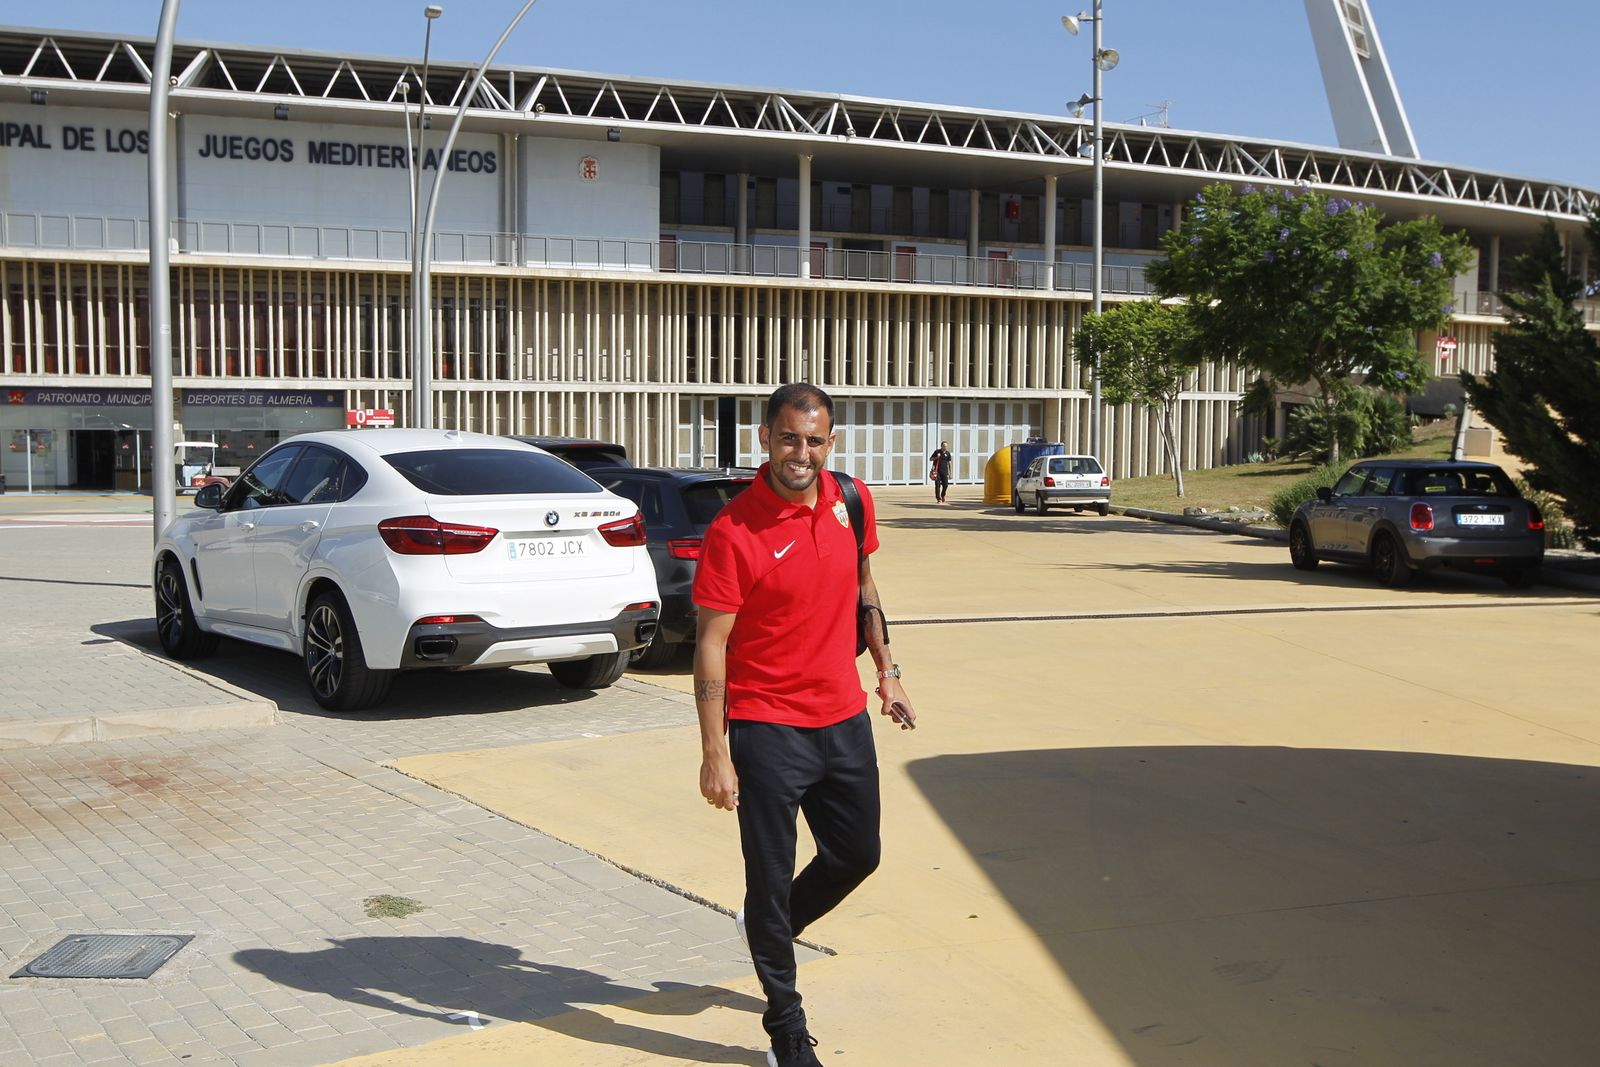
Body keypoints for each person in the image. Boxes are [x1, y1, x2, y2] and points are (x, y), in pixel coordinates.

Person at [692, 383, 917, 1067]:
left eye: (814, 440)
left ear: (831, 442)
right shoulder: (735, 531)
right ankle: (786, 1027)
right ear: (766, 436)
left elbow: (864, 585)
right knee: (768, 876)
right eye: (789, 438)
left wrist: (887, 668)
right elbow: (709, 644)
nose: (802, 453)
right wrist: (714, 752)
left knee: (858, 854)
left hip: (843, 714)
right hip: (766, 728)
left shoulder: (851, 500)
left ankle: (768, 928)